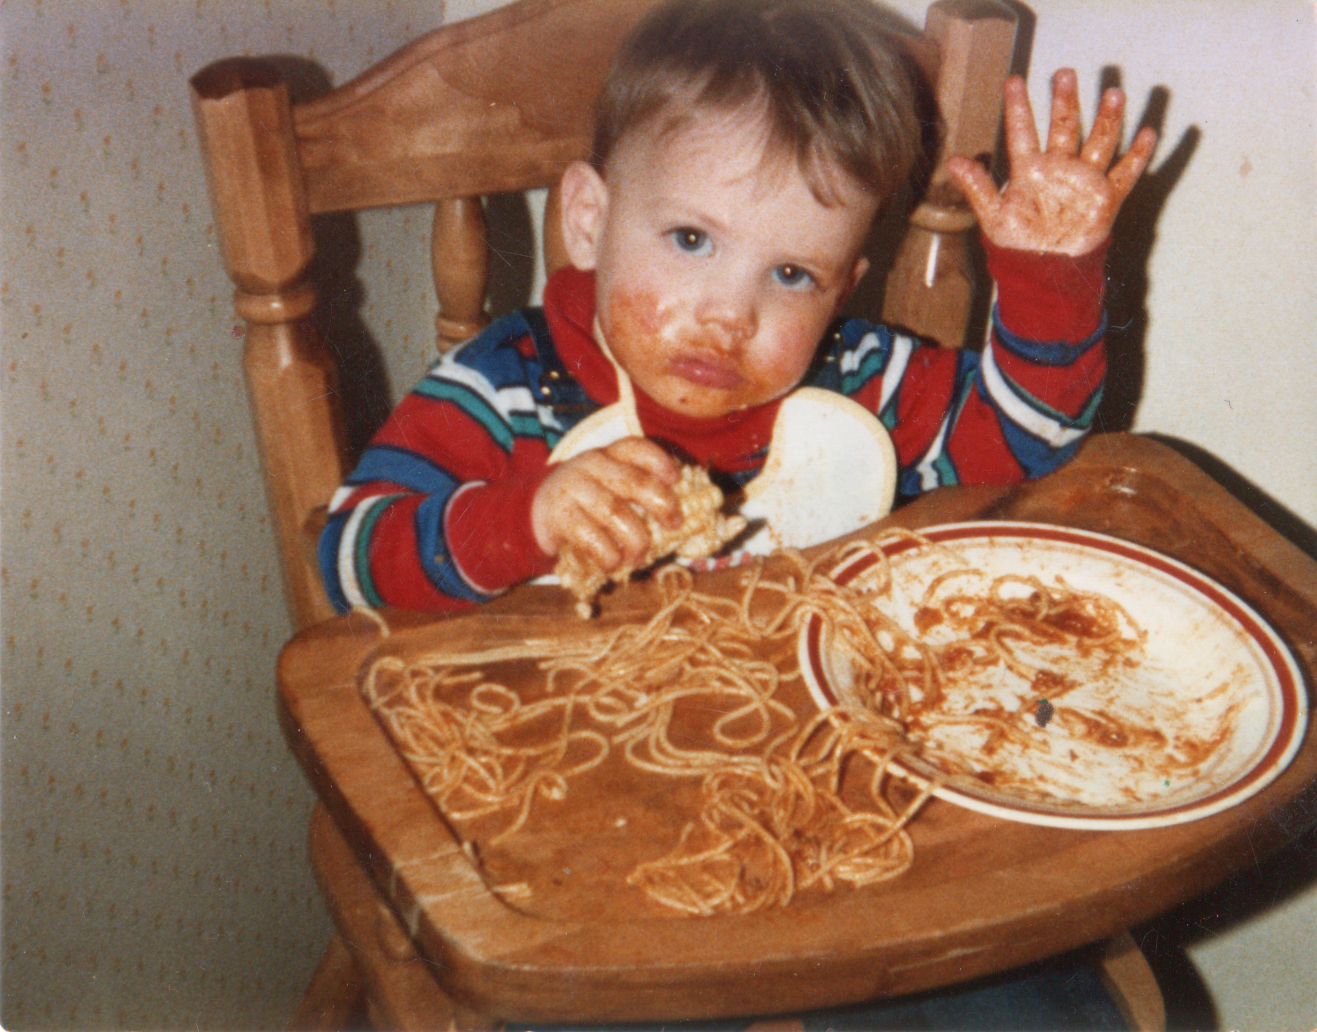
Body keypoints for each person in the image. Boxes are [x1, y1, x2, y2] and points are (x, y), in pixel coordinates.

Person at [319, 0, 1156, 615]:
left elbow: (1028, 440)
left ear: (842, 284)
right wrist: (526, 518)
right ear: (589, 220)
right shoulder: (506, 388)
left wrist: (1050, 278)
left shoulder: (857, 381)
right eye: (690, 241)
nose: (730, 316)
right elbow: (345, 561)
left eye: (791, 274)